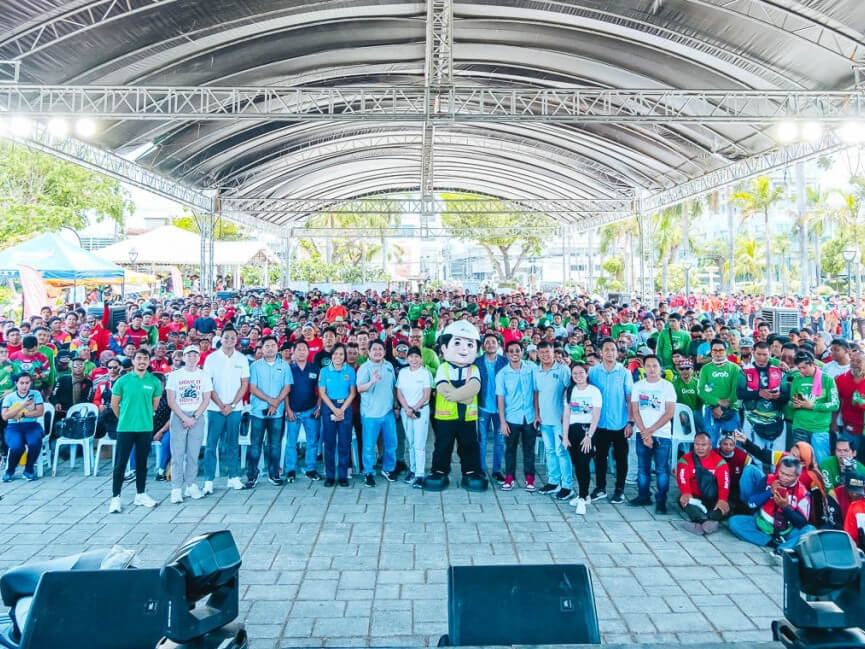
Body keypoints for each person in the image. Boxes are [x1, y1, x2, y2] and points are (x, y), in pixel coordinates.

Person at [108, 348, 162, 513]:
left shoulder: (154, 382)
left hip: (145, 428)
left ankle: (140, 494)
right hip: (125, 428)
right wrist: (125, 418)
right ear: (133, 361)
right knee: (120, 464)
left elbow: (155, 405)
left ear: (149, 361)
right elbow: (114, 405)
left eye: (145, 358)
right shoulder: (122, 381)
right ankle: (115, 498)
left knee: (142, 463)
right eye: (139, 358)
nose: (142, 361)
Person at [728, 455, 817, 553]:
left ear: (797, 476)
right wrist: (769, 492)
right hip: (761, 523)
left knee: (810, 530)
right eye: (782, 472)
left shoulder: (803, 493)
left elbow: (802, 523)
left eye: (789, 475)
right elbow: (751, 503)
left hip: (786, 530)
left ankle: (781, 551)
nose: (783, 477)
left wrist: (785, 508)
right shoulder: (768, 479)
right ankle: (773, 542)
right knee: (734, 522)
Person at [202, 327, 250, 494]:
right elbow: (208, 385)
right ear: (221, 339)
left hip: (235, 409)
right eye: (226, 337)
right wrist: (222, 405)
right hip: (216, 409)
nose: (229, 340)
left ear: (236, 340)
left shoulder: (242, 359)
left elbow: (244, 384)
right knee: (211, 445)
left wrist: (232, 404)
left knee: (232, 443)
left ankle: (234, 477)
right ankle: (208, 480)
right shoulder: (211, 359)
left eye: (232, 338)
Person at [588, 338, 634, 504]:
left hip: (620, 423)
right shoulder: (593, 372)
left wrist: (630, 422)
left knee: (621, 457)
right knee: (600, 457)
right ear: (601, 352)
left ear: (617, 352)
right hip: (599, 423)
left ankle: (619, 489)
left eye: (613, 349)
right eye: (606, 349)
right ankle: (600, 487)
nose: (609, 353)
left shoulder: (624, 373)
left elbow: (630, 399)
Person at [629, 355, 676, 513]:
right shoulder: (638, 386)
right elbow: (635, 411)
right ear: (644, 367)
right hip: (641, 433)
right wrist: (644, 432)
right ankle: (643, 496)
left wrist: (650, 431)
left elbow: (669, 412)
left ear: (660, 368)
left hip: (662, 434)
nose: (651, 369)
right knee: (643, 468)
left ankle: (661, 500)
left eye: (655, 365)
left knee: (662, 469)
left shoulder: (667, 386)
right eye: (648, 366)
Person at [166, 345, 212, 503]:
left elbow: (206, 399)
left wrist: (194, 417)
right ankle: (176, 488)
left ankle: (191, 484)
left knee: (193, 454)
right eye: (189, 355)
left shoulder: (203, 375)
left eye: (195, 355)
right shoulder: (175, 375)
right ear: (183, 357)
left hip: (196, 416)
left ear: (199, 358)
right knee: (177, 454)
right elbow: (171, 400)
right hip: (179, 415)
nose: (192, 358)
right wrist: (185, 418)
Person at [246, 335, 293, 487]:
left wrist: (276, 402)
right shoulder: (255, 366)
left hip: (277, 412)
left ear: (277, 347)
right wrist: (270, 400)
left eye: (273, 345)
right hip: (258, 412)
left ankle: (274, 474)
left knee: (275, 445)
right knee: (255, 445)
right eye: (267, 346)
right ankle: (252, 475)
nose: (270, 348)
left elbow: (287, 387)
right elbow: (252, 388)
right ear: (262, 348)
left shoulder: (284, 366)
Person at [496, 340, 539, 491]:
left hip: (529, 417)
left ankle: (530, 479)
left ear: (522, 352)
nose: (515, 354)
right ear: (507, 354)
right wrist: (502, 422)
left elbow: (536, 392)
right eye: (511, 351)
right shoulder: (502, 374)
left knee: (529, 449)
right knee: (510, 449)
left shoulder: (532, 368)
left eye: (517, 350)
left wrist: (537, 415)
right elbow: (500, 398)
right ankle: (509, 478)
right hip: (511, 418)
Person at [356, 339, 398, 486]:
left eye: (380, 349)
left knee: (391, 443)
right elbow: (359, 388)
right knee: (368, 445)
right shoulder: (364, 368)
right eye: (374, 349)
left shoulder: (389, 366)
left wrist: (396, 406)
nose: (378, 352)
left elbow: (394, 387)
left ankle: (388, 469)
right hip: (370, 414)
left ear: (384, 351)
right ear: (369, 352)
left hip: (388, 413)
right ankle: (368, 472)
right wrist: (372, 381)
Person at [535, 341, 573, 500]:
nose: (545, 355)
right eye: (542, 352)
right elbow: (536, 393)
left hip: (560, 420)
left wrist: (566, 415)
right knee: (550, 451)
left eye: (548, 352)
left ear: (553, 353)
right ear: (538, 354)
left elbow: (570, 392)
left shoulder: (563, 370)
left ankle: (567, 486)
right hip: (544, 419)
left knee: (562, 452)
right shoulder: (536, 371)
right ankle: (553, 482)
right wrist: (537, 414)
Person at [561, 363, 601, 515]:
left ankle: (583, 497)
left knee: (584, 463)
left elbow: (596, 415)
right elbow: (566, 415)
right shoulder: (569, 391)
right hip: (573, 431)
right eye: (575, 373)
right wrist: (565, 437)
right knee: (577, 464)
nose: (578, 376)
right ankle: (583, 494)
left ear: (587, 373)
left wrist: (589, 436)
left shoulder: (594, 391)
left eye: (581, 372)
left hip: (588, 431)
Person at [676, 431, 731, 535]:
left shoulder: (720, 462)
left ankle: (700, 524)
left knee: (725, 506)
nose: (700, 448)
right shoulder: (685, 459)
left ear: (710, 446)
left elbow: (725, 483)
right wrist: (686, 492)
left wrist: (722, 499)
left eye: (703, 445)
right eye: (697, 444)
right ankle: (706, 522)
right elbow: (682, 478)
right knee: (683, 500)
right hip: (695, 497)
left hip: (713, 498)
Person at [738, 341, 788, 453]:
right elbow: (739, 393)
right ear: (753, 353)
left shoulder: (779, 370)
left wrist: (779, 396)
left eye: (765, 354)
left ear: (770, 353)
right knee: (754, 456)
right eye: (759, 354)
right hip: (752, 420)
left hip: (775, 420)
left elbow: (787, 394)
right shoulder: (745, 371)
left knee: (777, 457)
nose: (762, 358)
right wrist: (758, 394)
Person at [790, 350, 839, 465]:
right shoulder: (797, 379)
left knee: (822, 463)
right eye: (799, 368)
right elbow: (791, 400)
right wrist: (795, 404)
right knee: (799, 463)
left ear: (813, 364)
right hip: (800, 426)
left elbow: (835, 404)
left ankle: (822, 483)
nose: (802, 371)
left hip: (820, 429)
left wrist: (813, 406)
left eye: (804, 367)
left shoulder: (827, 380)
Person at [318, 343, 356, 487]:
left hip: (345, 406)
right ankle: (329, 475)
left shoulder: (350, 371)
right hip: (329, 407)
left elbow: (353, 393)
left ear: (344, 356)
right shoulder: (325, 371)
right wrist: (334, 409)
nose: (338, 357)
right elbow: (322, 392)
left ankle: (342, 475)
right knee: (329, 443)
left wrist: (342, 409)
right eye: (335, 354)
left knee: (344, 443)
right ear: (331, 356)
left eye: (341, 354)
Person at [285, 340, 322, 481]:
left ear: (308, 352)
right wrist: (288, 410)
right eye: (298, 349)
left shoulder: (315, 369)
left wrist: (318, 406)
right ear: (293, 352)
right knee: (291, 442)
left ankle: (310, 469)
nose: (301, 352)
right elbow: (285, 391)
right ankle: (290, 470)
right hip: (293, 412)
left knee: (312, 441)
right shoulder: (289, 368)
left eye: (304, 349)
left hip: (311, 411)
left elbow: (321, 390)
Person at [396, 346, 432, 488]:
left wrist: (414, 408)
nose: (414, 359)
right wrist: (406, 408)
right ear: (407, 358)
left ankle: (420, 474)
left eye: (417, 357)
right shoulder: (403, 372)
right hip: (407, 412)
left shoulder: (425, 373)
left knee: (419, 443)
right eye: (411, 356)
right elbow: (399, 392)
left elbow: (426, 394)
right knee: (410, 442)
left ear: (421, 359)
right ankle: (412, 470)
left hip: (420, 411)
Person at [475, 333, 507, 483]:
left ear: (498, 345)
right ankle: (481, 469)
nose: (490, 345)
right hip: (483, 406)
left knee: (499, 440)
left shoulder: (505, 362)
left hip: (501, 408)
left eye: (493, 342)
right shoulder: (477, 362)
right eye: (487, 342)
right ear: (483, 346)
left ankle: (497, 470)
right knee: (481, 440)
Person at [1, 374, 45, 482]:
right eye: (21, 383)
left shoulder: (36, 394)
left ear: (30, 383)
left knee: (34, 442)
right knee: (17, 447)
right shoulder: (9, 397)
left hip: (32, 426)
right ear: (16, 383)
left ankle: (28, 470)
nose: (24, 386)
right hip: (13, 427)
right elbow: (5, 416)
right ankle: (10, 471)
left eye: (27, 383)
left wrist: (22, 414)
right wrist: (24, 405)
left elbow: (39, 412)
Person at [698, 338, 742, 445]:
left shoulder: (735, 368)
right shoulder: (705, 369)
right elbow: (701, 391)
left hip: (731, 410)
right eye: (715, 351)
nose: (718, 353)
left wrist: (723, 407)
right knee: (710, 444)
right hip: (711, 411)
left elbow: (736, 391)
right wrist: (717, 402)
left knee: (734, 445)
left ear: (726, 351)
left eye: (721, 350)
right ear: (711, 352)